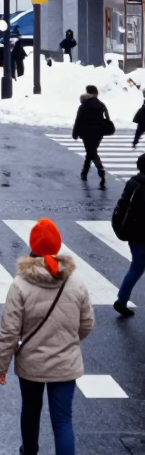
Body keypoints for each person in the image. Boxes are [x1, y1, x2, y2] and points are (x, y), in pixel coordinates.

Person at [0, 218, 94, 455]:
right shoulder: (74, 282)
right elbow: (87, 323)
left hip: (31, 364)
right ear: (58, 245)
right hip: (66, 364)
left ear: (32, 248)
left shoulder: (21, 283)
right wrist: (69, 342)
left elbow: (9, 331)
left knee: (31, 409)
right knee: (63, 422)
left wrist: (1, 364)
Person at [112, 155, 145, 317]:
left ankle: (122, 300)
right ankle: (121, 301)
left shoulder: (133, 183)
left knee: (136, 268)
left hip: (134, 233)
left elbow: (123, 204)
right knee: (137, 268)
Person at [72, 84, 111, 189]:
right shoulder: (101, 104)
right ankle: (84, 173)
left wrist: (75, 133)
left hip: (86, 133)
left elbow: (78, 120)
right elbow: (107, 118)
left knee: (91, 152)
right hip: (98, 133)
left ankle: (100, 171)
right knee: (91, 152)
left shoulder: (83, 105)